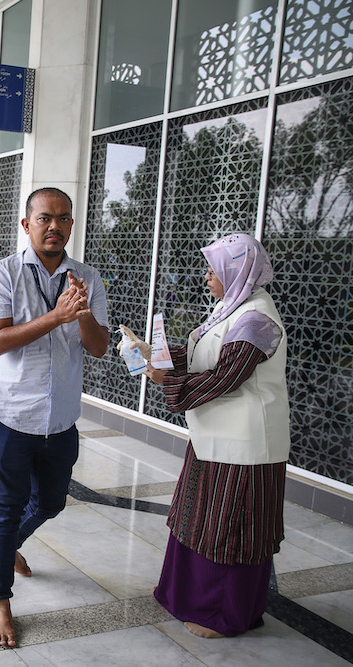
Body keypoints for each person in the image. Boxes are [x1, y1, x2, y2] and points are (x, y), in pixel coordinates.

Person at [0, 187, 110, 647]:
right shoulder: (4, 273)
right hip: (11, 414)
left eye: (64, 219)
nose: (55, 226)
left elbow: (97, 347)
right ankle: (0, 600)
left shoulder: (87, 277)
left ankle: (10, 543)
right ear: (27, 224)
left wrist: (83, 311)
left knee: (52, 501)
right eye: (45, 218)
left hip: (61, 419)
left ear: (72, 225)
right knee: (4, 506)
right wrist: (56, 317)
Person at [139, 233, 289, 639]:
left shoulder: (257, 318)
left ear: (235, 272)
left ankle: (223, 615)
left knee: (231, 526)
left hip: (244, 445)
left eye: (213, 269)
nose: (207, 276)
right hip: (213, 436)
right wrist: (153, 353)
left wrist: (167, 379)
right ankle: (185, 596)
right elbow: (203, 353)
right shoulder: (230, 309)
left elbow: (226, 376)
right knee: (200, 518)